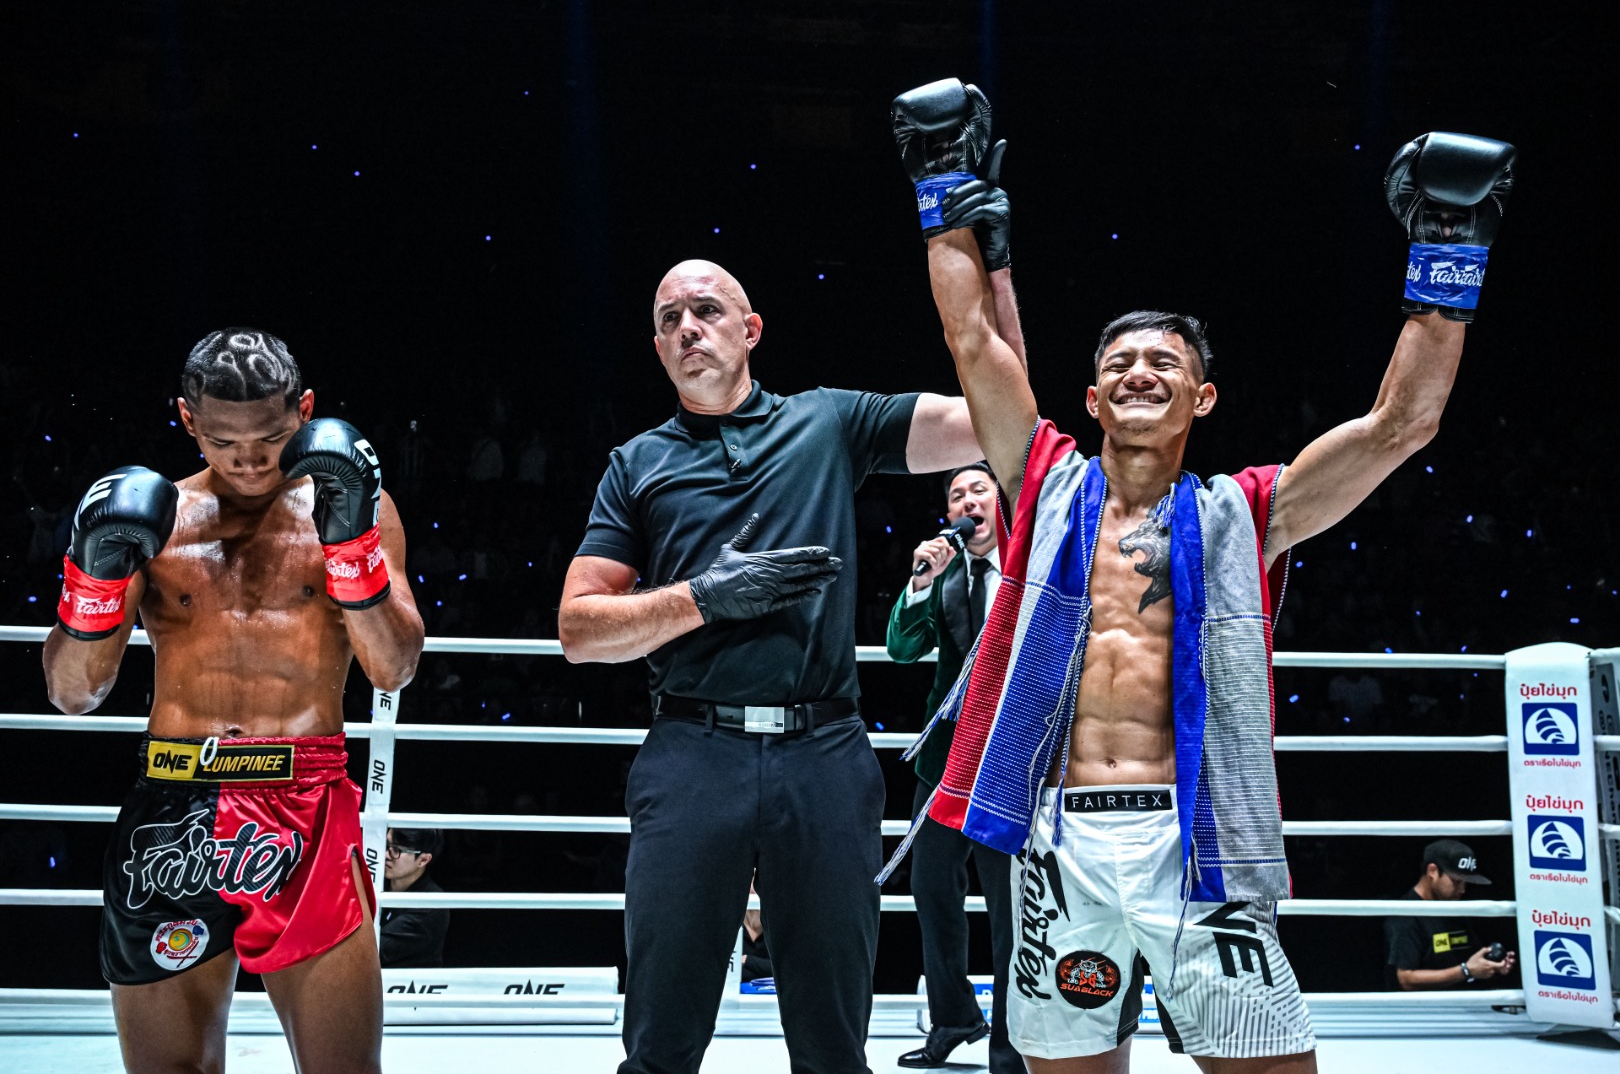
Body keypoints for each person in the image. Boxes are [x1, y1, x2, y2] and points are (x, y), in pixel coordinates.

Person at [889, 78, 1515, 1072]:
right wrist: (941, 189)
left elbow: (1404, 425)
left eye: (1164, 363)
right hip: (1058, 844)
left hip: (1200, 842)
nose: (1139, 371)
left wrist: (1451, 248)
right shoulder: (1043, 483)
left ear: (1204, 395)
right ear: (1092, 397)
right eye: (1120, 363)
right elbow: (971, 338)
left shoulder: (1245, 513)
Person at [558, 255, 1016, 1074]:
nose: (687, 329)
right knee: (659, 1041)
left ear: (751, 330)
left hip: (824, 752)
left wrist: (996, 274)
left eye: (706, 310)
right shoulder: (638, 463)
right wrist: (704, 597)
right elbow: (579, 629)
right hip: (692, 750)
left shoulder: (826, 421)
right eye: (668, 321)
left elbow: (1004, 422)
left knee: (834, 1045)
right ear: (657, 349)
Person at [43, 327, 424, 1074]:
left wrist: (350, 547)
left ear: (305, 411)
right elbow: (73, 692)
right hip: (173, 809)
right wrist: (93, 580)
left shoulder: (355, 504)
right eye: (223, 442)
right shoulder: (155, 518)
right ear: (188, 419)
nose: (249, 460)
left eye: (271, 439)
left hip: (304, 804)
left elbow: (393, 667)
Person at [887, 462, 1021, 1073]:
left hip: (1010, 760)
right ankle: (954, 1018)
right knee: (931, 886)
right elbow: (901, 649)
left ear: (1002, 502)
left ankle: (1010, 1045)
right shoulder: (944, 574)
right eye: (956, 495)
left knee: (1008, 906)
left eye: (978, 490)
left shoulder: (1029, 567)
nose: (967, 501)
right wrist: (920, 581)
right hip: (946, 758)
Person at [1384, 839, 1515, 990]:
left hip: (1463, 1000)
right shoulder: (1405, 914)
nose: (1463, 889)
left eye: (1466, 882)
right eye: (1457, 881)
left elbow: (1472, 962)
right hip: (1424, 1004)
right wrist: (1465, 971)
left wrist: (1491, 965)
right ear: (1432, 871)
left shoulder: (1454, 906)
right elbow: (1406, 979)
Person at [381, 827, 450, 969]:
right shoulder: (373, 882)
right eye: (386, 845)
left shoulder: (432, 905)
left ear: (423, 860)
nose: (386, 855)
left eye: (397, 850)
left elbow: (373, 952)